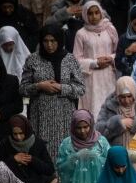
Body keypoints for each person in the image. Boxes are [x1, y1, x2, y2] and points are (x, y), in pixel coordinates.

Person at [20, 23, 86, 160]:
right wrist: (39, 86)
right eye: (45, 41)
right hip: (41, 115)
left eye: (53, 41)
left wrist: (61, 88)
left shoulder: (69, 59)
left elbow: (81, 88)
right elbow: (23, 89)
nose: (49, 45)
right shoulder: (33, 59)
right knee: (43, 153)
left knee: (65, 153)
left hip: (65, 115)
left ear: (59, 41)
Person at [0, 115, 55, 183]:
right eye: (15, 134)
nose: (18, 137)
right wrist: (13, 160)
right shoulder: (6, 144)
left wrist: (32, 160)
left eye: (21, 133)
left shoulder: (38, 143)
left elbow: (49, 169)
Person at [96, 77, 136, 149]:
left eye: (129, 96)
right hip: (116, 152)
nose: (126, 101)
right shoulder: (109, 106)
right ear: (117, 95)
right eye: (122, 97)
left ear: (134, 93)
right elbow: (99, 131)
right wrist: (118, 124)